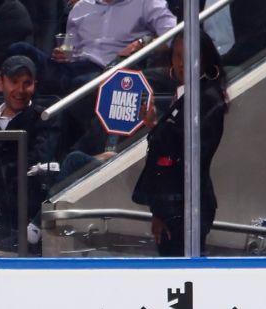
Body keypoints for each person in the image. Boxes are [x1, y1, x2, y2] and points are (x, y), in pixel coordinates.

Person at [131, 30, 229, 256]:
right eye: (177, 56)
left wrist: (158, 129)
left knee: (182, 266)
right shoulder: (188, 95)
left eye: (189, 56)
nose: (182, 63)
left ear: (204, 58)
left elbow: (188, 151)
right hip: (171, 203)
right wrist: (154, 124)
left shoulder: (207, 98)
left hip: (187, 205)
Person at [0, 55, 56, 240]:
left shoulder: (43, 119)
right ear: (1, 84)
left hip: (15, 196)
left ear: (34, 86)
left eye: (27, 83)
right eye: (14, 82)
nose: (20, 90)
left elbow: (36, 161)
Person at [12, 0, 175, 95]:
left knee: (81, 83)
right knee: (20, 49)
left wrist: (143, 43)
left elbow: (174, 35)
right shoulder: (81, 7)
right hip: (72, 69)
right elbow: (71, 49)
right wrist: (63, 55)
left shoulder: (147, 3)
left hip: (110, 72)